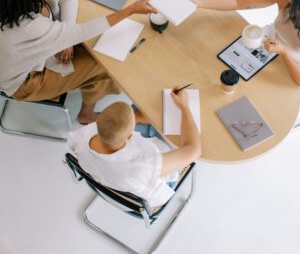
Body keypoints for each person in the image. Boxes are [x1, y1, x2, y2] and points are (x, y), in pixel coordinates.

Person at [0, 0, 154, 124]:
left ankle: (89, 98)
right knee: (103, 62)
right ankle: (86, 115)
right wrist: (131, 10)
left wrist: (66, 40)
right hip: (25, 81)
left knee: (95, 50)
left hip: (24, 57)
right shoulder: (29, 28)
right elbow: (85, 31)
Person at [68, 88, 201, 207]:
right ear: (130, 135)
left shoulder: (81, 136)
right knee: (171, 133)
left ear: (97, 120)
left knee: (137, 109)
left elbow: (114, 125)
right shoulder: (143, 165)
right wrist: (184, 106)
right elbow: (194, 149)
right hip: (148, 192)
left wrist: (135, 118)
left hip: (111, 179)